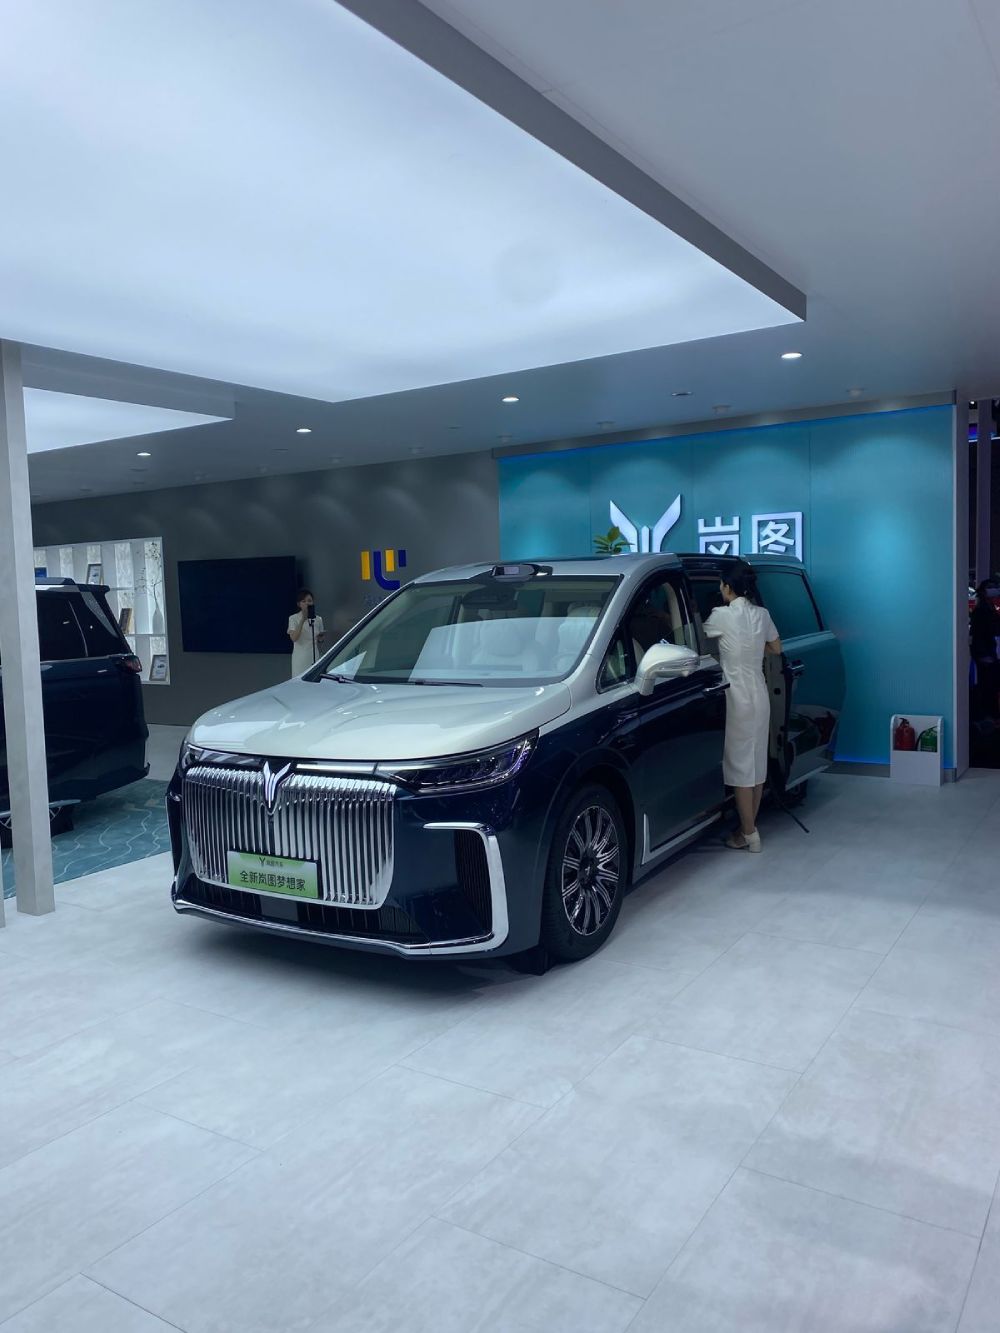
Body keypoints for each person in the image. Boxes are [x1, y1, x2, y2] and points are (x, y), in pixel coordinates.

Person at [703, 564, 782, 852]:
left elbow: (697, 641)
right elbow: (776, 648)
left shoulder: (720, 615)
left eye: (721, 584)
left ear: (727, 587)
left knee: (739, 768)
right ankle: (748, 830)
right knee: (756, 765)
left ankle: (749, 834)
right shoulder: (762, 614)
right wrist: (754, 647)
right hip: (759, 694)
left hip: (735, 697)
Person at [287, 588, 326, 677]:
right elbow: (294, 638)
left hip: (314, 656)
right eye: (303, 601)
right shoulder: (293, 618)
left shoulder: (318, 619)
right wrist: (303, 619)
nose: (307, 603)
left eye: (309, 601)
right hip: (300, 658)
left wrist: (321, 638)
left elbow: (320, 641)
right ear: (299, 604)